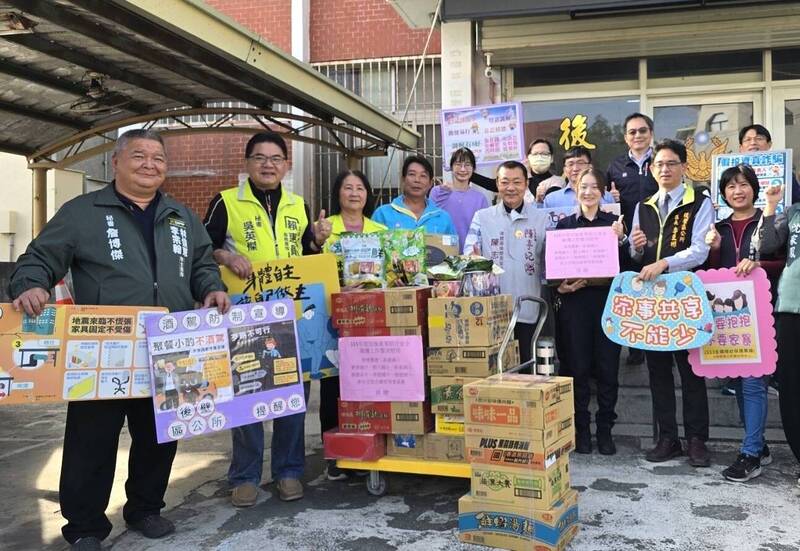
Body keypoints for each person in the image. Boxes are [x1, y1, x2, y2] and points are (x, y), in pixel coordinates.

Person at [10, 129, 230, 551]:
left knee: (159, 435)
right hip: (104, 352)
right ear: (117, 161)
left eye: (158, 158)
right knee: (91, 441)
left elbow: (202, 263)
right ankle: (86, 526)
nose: (150, 165)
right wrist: (30, 284)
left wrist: (210, 288)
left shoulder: (181, 216)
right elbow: (39, 257)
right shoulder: (83, 212)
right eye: (139, 156)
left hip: (169, 346)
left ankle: (146, 508)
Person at [203, 131, 331, 506]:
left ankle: (289, 471)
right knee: (247, 393)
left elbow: (306, 252)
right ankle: (244, 475)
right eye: (260, 157)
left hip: (291, 313)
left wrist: (318, 239)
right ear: (247, 164)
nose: (268, 164)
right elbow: (202, 248)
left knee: (293, 394)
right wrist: (226, 257)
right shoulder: (226, 202)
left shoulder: (297, 204)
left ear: (286, 165)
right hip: (245, 315)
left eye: (276, 158)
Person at [629, 139, 714, 467]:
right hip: (652, 300)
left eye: (671, 163)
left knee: (691, 371)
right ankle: (668, 438)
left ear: (683, 167)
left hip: (684, 297)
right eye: (659, 165)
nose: (664, 169)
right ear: (652, 169)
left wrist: (665, 263)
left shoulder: (699, 202)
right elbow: (638, 254)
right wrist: (635, 247)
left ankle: (696, 440)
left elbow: (700, 250)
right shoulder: (643, 206)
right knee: (658, 371)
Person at [704, 164, 783, 481]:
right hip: (726, 315)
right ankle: (759, 444)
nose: (737, 191)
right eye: (731, 187)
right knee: (737, 383)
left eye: (743, 185)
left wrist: (759, 263)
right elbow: (711, 271)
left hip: (761, 313)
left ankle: (750, 453)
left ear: (754, 187)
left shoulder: (769, 220)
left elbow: (783, 260)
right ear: (724, 193)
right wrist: (713, 251)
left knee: (753, 383)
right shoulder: (718, 227)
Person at [552, 167, 627, 455]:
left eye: (594, 186)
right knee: (578, 369)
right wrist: (562, 287)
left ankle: (605, 429)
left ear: (603, 191)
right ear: (575, 187)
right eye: (583, 186)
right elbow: (556, 271)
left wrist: (620, 239)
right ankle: (581, 429)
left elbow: (626, 265)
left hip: (608, 304)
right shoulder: (565, 225)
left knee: (608, 370)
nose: (588, 191)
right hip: (575, 306)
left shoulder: (613, 224)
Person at [321, 169, 385, 480]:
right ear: (338, 193)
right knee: (333, 383)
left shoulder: (379, 230)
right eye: (348, 188)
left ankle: (365, 448)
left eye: (360, 187)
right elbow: (311, 269)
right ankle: (334, 454)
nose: (354, 193)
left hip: (370, 318)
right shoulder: (324, 229)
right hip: (333, 316)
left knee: (365, 383)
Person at [463, 161, 551, 365]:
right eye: (505, 182)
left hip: (529, 306)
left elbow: (553, 261)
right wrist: (473, 259)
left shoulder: (542, 218)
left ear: (526, 183)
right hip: (493, 311)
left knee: (529, 367)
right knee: (498, 369)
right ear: (497, 184)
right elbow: (469, 251)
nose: (511, 188)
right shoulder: (482, 217)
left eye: (517, 182)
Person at [607, 113, 659, 367]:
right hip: (626, 240)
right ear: (625, 136)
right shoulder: (615, 167)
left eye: (642, 131)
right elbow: (605, 201)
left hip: (659, 238)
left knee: (658, 290)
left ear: (650, 133)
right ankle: (636, 347)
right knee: (632, 291)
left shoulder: (661, 162)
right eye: (632, 132)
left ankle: (662, 343)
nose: (637, 136)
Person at [758, 181, 800, 485]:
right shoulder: (793, 213)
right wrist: (771, 207)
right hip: (790, 306)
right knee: (791, 386)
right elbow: (769, 246)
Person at [372, 155, 457, 235]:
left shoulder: (443, 218)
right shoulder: (382, 214)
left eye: (423, 176)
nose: (417, 180)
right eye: (412, 174)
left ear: (430, 183)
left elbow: (451, 249)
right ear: (403, 179)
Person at [468, 139, 566, 203]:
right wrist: (467, 173)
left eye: (544, 154)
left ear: (552, 158)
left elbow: (548, 197)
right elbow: (493, 184)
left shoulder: (558, 181)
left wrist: (526, 172)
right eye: (535, 154)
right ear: (529, 157)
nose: (539, 157)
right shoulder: (521, 178)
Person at [430, 147, 489, 248]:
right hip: (443, 253)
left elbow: (484, 230)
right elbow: (430, 221)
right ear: (451, 167)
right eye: (458, 164)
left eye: (467, 165)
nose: (463, 169)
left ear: (473, 169)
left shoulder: (480, 198)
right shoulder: (438, 192)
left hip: (471, 256)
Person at [738, 124, 800, 204]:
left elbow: (797, 201)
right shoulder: (732, 174)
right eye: (747, 140)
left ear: (769, 144)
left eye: (759, 138)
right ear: (741, 147)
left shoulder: (783, 173)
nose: (753, 143)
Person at [542, 146, 616, 208]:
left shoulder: (606, 197)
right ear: (564, 170)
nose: (575, 168)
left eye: (580, 163)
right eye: (570, 164)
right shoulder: (551, 200)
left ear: (590, 167)